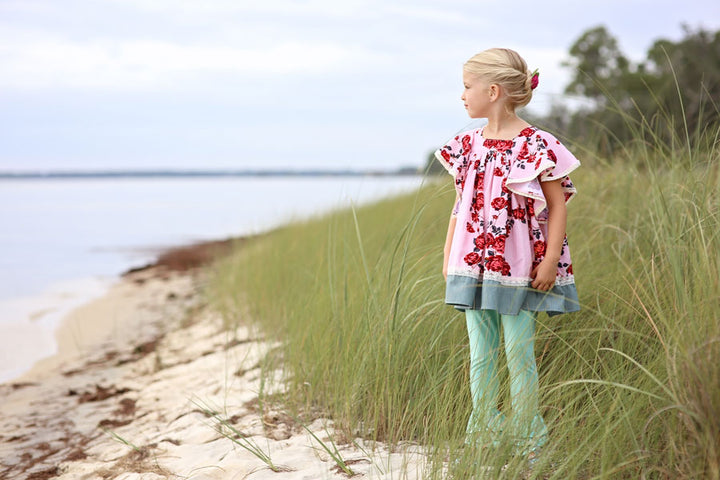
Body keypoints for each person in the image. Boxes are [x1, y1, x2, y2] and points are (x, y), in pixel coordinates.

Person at [435, 48, 581, 463]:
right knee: (479, 350)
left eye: (467, 86)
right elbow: (460, 205)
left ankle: (528, 436)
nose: (463, 96)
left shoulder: (538, 145)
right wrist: (449, 257)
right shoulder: (466, 144)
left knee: (519, 353)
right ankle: (483, 430)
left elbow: (558, 206)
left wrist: (551, 259)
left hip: (518, 267)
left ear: (494, 90)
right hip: (471, 263)